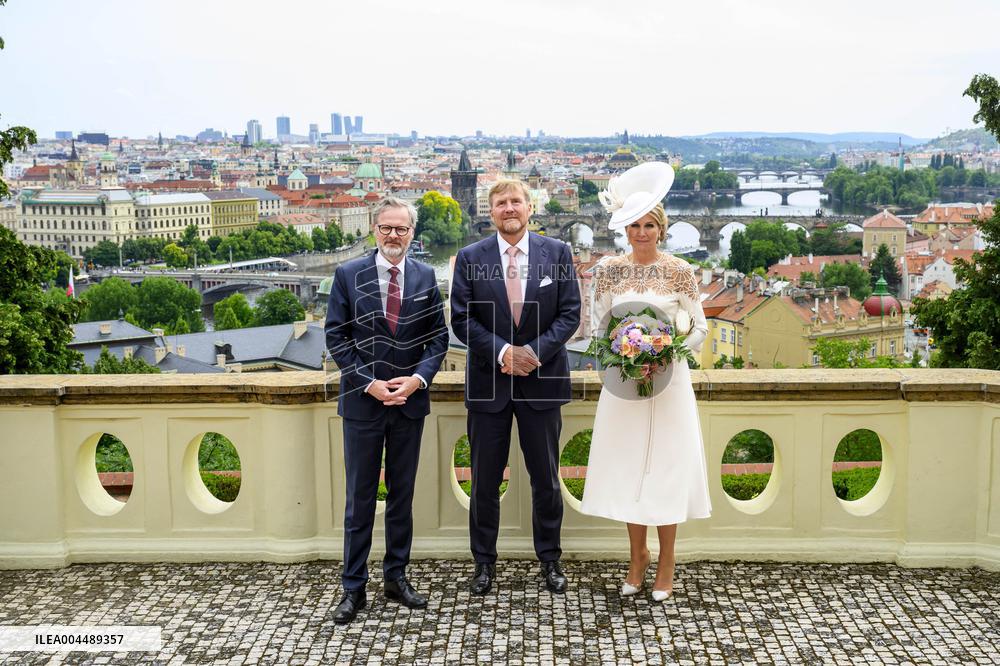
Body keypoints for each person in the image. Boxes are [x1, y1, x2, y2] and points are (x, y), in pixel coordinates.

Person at [580, 162, 712, 602]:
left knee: (666, 470)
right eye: (635, 224)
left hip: (669, 385)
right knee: (629, 468)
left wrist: (667, 352)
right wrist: (622, 357)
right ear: (625, 229)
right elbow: (597, 329)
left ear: (662, 228)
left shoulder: (679, 271)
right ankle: (637, 558)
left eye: (649, 224)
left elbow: (700, 327)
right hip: (623, 386)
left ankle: (667, 561)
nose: (642, 231)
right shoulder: (609, 271)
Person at [450, 179, 581, 595]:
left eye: (516, 202)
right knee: (485, 481)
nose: (509, 208)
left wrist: (532, 353)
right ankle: (484, 563)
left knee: (546, 478)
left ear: (529, 209)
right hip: (489, 383)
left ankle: (550, 559)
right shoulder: (470, 257)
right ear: (492, 212)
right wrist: (505, 352)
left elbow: (570, 313)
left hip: (542, 380)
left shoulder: (557, 253)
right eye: (501, 203)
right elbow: (461, 319)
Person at [324, 196, 449, 624]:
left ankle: (396, 577)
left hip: (409, 403)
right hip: (363, 403)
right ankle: (352, 588)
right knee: (359, 501)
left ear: (412, 233)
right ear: (374, 230)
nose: (393, 235)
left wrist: (418, 379)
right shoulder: (347, 274)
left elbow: (438, 339)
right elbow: (336, 337)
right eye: (386, 228)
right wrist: (370, 384)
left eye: (401, 229)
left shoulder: (426, 275)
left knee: (401, 498)